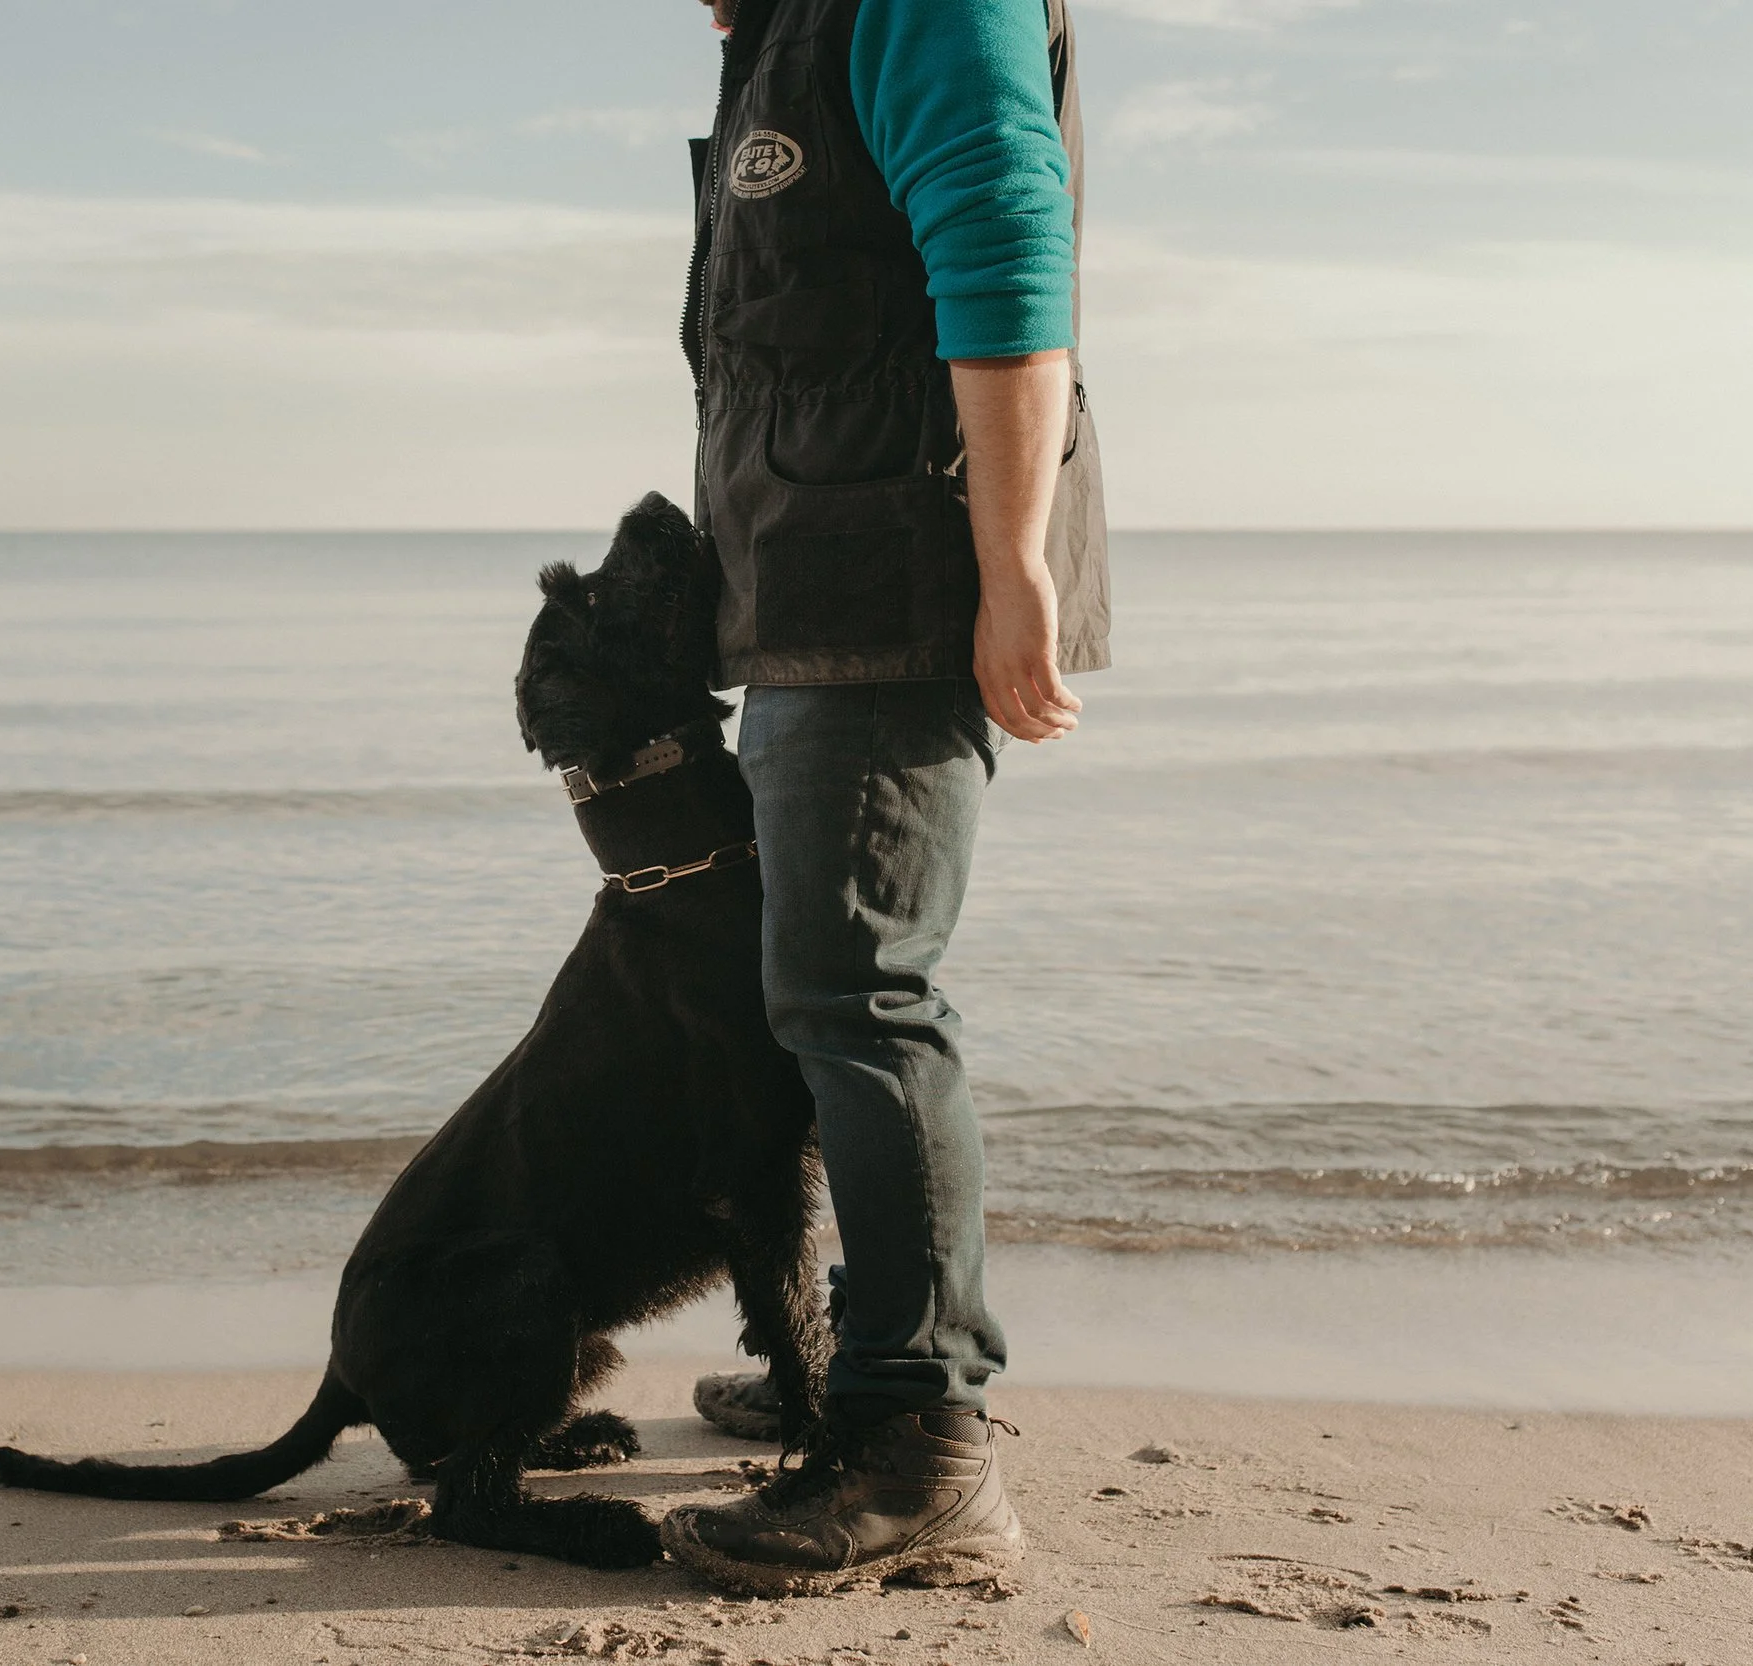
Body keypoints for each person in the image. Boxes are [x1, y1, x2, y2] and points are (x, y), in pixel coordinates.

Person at [656, 0, 1108, 1594]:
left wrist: (1013, 567)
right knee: (824, 994)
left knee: (860, 995)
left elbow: (1002, 248)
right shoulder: (788, 22)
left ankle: (924, 1444)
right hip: (810, 579)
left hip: (895, 577)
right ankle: (866, 1369)